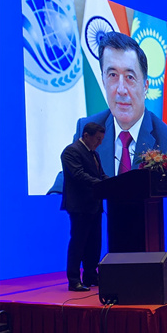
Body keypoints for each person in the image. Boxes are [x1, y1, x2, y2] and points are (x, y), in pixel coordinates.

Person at [51, 32, 167, 193]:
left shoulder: (166, 141)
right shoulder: (86, 129)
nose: (121, 90)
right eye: (113, 75)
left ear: (145, 86)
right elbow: (60, 190)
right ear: (103, 81)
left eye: (130, 77)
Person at [61, 122, 108, 291]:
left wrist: (113, 183)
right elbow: (79, 175)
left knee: (94, 243)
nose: (100, 143)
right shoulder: (71, 151)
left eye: (101, 139)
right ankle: (74, 280)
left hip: (94, 205)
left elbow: (101, 175)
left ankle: (90, 275)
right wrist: (101, 184)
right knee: (78, 243)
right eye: (97, 139)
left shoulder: (94, 153)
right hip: (80, 206)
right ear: (86, 135)